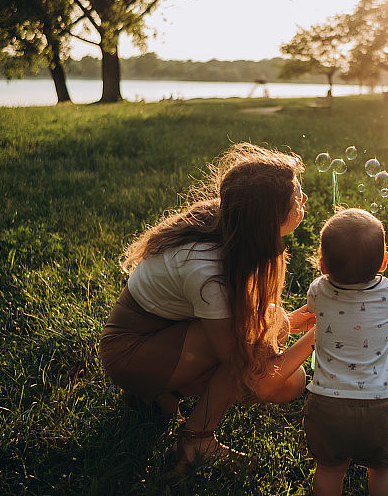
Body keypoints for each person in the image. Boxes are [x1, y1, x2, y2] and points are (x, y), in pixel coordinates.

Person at [99, 142, 316, 470]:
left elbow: (252, 311)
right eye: (296, 197)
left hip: (166, 337)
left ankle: (164, 393)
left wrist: (295, 321)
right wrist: (321, 333)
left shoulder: (234, 218)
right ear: (267, 219)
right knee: (260, 360)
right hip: (131, 354)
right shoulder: (208, 273)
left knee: (293, 378)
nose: (304, 200)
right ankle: (196, 441)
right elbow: (244, 367)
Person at [303, 208, 388, 496]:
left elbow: (312, 310)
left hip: (326, 404)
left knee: (330, 469)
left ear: (322, 265)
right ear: (383, 262)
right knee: (383, 467)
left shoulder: (317, 290)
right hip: (377, 403)